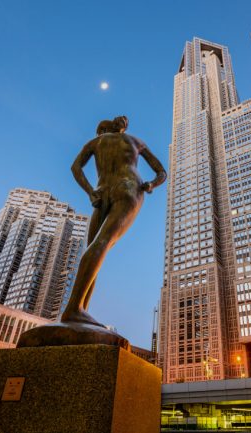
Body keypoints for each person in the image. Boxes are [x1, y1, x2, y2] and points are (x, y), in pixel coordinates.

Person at [61, 116, 166, 326]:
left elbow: (75, 167)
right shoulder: (135, 141)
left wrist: (91, 192)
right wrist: (151, 185)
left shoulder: (96, 142)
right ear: (122, 127)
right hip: (128, 188)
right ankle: (74, 309)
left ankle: (80, 309)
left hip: (102, 191)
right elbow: (161, 172)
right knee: (102, 245)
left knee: (95, 247)